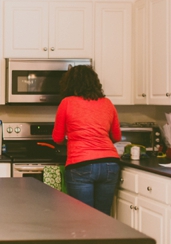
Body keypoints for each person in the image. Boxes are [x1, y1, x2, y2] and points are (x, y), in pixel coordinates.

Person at [52, 65, 121, 215]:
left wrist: (73, 140)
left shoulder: (67, 103)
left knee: (83, 217)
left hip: (81, 163)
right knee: (103, 217)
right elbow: (116, 137)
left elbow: (57, 138)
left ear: (69, 83)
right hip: (110, 163)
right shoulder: (107, 103)